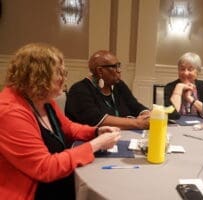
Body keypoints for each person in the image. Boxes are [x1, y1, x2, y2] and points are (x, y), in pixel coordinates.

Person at [0, 43, 121, 200]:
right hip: (33, 191)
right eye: (60, 73)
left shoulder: (43, 99)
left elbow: (68, 128)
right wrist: (96, 144)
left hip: (58, 180)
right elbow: (45, 168)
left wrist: (96, 132)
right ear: (38, 76)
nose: (64, 78)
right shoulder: (10, 113)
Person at [65, 50, 150, 130]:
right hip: (90, 140)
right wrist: (138, 123)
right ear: (100, 71)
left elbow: (135, 105)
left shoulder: (118, 85)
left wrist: (146, 114)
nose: (119, 70)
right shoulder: (79, 91)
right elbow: (97, 121)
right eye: (115, 67)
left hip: (119, 136)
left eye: (119, 66)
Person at [164, 52, 203, 120]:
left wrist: (190, 98)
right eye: (182, 69)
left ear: (197, 71)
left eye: (190, 69)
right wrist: (179, 88)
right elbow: (170, 116)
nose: (185, 73)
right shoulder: (169, 87)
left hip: (199, 127)